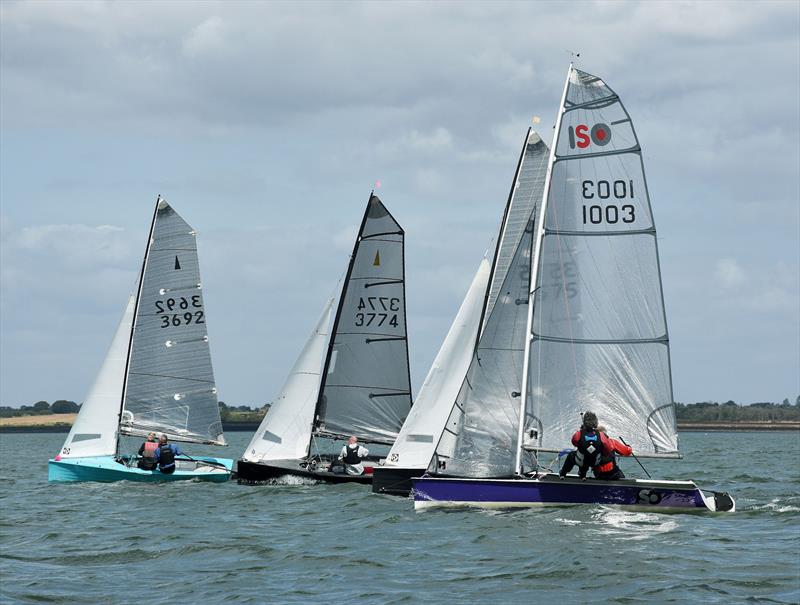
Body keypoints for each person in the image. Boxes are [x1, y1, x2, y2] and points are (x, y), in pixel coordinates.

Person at [558, 411, 633, 480]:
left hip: (598, 474)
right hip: (612, 473)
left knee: (577, 456)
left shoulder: (579, 434)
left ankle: (565, 473)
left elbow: (575, 443)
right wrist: (628, 446)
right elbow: (627, 451)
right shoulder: (610, 441)